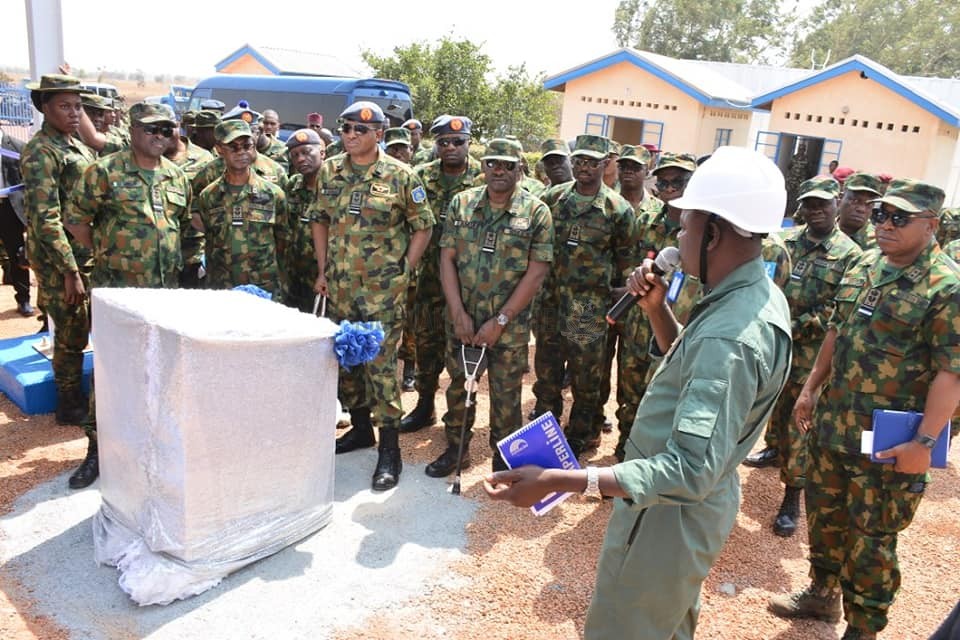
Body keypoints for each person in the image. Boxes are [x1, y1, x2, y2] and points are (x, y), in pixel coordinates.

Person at [485, 146, 792, 640]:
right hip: (681, 506)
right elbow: (691, 369)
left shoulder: (729, 337)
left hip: (667, 517)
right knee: (664, 626)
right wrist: (655, 310)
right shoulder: (752, 296)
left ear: (713, 233)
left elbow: (689, 469)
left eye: (686, 224)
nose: (677, 235)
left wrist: (559, 479)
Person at [770, 179, 960, 640]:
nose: (885, 225)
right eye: (880, 215)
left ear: (931, 225)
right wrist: (811, 387)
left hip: (889, 441)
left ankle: (863, 628)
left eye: (899, 218)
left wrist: (926, 442)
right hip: (835, 424)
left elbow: (951, 374)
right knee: (826, 517)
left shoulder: (946, 286)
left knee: (872, 539)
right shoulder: (866, 264)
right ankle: (821, 593)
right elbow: (837, 331)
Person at [65, 102, 192, 489]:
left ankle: (151, 446)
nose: (160, 136)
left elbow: (184, 227)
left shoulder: (176, 177)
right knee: (111, 372)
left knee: (160, 371)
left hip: (164, 294)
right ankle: (97, 451)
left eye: (167, 130)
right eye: (152, 129)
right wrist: (107, 252)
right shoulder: (104, 171)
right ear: (133, 130)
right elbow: (75, 221)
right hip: (118, 294)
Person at [309, 101, 434, 491]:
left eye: (359, 130)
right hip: (341, 285)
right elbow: (320, 219)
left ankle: (389, 452)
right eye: (345, 128)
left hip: (383, 291)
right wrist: (322, 268)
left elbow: (423, 227)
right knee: (347, 361)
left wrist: (404, 269)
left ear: (378, 133)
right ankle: (361, 429)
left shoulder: (401, 176)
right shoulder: (330, 169)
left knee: (380, 367)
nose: (349, 135)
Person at [425, 138, 553, 477]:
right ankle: (456, 450)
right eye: (493, 163)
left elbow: (537, 271)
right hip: (463, 318)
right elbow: (446, 258)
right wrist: (457, 313)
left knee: (506, 393)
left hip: (508, 325)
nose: (499, 170)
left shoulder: (536, 211)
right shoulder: (462, 203)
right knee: (457, 386)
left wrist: (501, 320)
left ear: (520, 167)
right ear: (483, 165)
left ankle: (504, 460)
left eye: (508, 165)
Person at [744, 176, 862, 538]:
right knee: (771, 406)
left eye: (823, 204)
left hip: (811, 353)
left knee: (800, 420)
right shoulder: (784, 242)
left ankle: (792, 496)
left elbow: (838, 308)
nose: (816, 211)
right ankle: (772, 449)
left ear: (836, 203)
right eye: (809, 204)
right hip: (776, 344)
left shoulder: (849, 255)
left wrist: (794, 323)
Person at [533, 134, 636, 460]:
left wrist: (614, 305)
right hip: (550, 303)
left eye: (591, 161)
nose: (583, 167)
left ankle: (578, 437)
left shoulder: (617, 209)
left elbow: (625, 262)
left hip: (589, 309)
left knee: (585, 381)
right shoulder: (553, 199)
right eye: (578, 160)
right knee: (547, 374)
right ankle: (544, 433)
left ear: (605, 163)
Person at [21, 74, 96, 427]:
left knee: (85, 324)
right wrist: (70, 270)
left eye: (78, 106)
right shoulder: (41, 152)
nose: (73, 113)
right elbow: (45, 217)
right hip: (59, 260)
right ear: (44, 108)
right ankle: (68, 403)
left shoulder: (74, 144)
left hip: (83, 253)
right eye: (64, 106)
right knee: (69, 333)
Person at [400, 115, 483, 434]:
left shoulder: (482, 178)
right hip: (426, 280)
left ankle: (458, 422)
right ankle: (424, 406)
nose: (450, 148)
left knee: (460, 353)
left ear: (468, 143)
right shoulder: (420, 177)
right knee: (426, 344)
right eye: (444, 142)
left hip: (468, 283)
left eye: (458, 142)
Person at [608, 144, 663, 460]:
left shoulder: (656, 211)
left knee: (644, 382)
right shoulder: (614, 206)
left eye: (635, 167)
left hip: (645, 311)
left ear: (646, 170)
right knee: (611, 373)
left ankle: (635, 446)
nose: (629, 172)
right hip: (613, 302)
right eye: (624, 166)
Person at [193, 120, 288, 299]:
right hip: (222, 289)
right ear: (220, 149)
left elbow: (282, 242)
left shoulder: (273, 194)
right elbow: (209, 236)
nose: (242, 152)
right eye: (233, 147)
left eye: (247, 146)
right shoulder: (209, 196)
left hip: (263, 289)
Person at [163, 111, 212, 289]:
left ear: (179, 126)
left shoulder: (203, 159)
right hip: (157, 253)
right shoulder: (148, 158)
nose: (162, 134)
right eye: (156, 129)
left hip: (192, 251)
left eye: (168, 127)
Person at [283, 128, 325, 312]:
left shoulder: (336, 186)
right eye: (295, 155)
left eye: (307, 152)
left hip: (323, 276)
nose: (300, 159)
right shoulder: (292, 185)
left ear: (322, 152)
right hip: (293, 275)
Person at [0, 124, 32, 316]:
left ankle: (24, 298)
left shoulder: (17, 146)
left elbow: (27, 180)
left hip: (9, 208)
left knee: (17, 253)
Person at [837, 172, 883, 251]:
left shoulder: (877, 244)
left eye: (869, 203)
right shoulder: (821, 228)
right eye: (855, 201)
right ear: (840, 198)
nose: (861, 209)